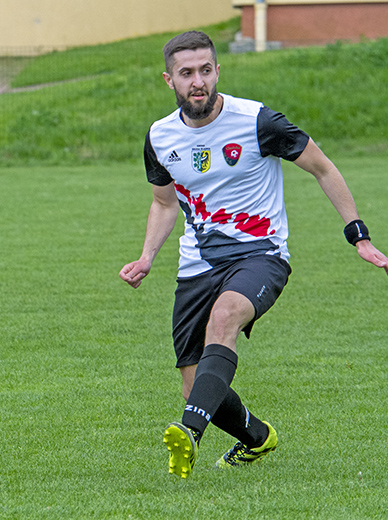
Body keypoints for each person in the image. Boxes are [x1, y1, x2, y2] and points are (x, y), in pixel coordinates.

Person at [119, 31, 388, 479]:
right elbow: (165, 203)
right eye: (187, 73)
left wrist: (357, 234)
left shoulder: (257, 121)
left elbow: (322, 167)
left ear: (218, 70)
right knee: (195, 382)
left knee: (224, 318)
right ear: (170, 80)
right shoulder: (160, 136)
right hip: (196, 265)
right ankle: (258, 438)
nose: (198, 81)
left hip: (260, 254)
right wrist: (147, 257)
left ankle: (189, 432)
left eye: (206, 70)